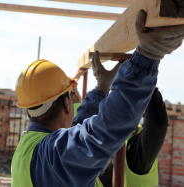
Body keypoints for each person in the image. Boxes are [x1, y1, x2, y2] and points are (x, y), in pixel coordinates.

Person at [11, 9, 184, 187]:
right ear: (66, 104)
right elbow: (105, 129)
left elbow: (78, 131)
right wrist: (148, 56)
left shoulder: (27, 150)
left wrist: (101, 89)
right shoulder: (55, 156)